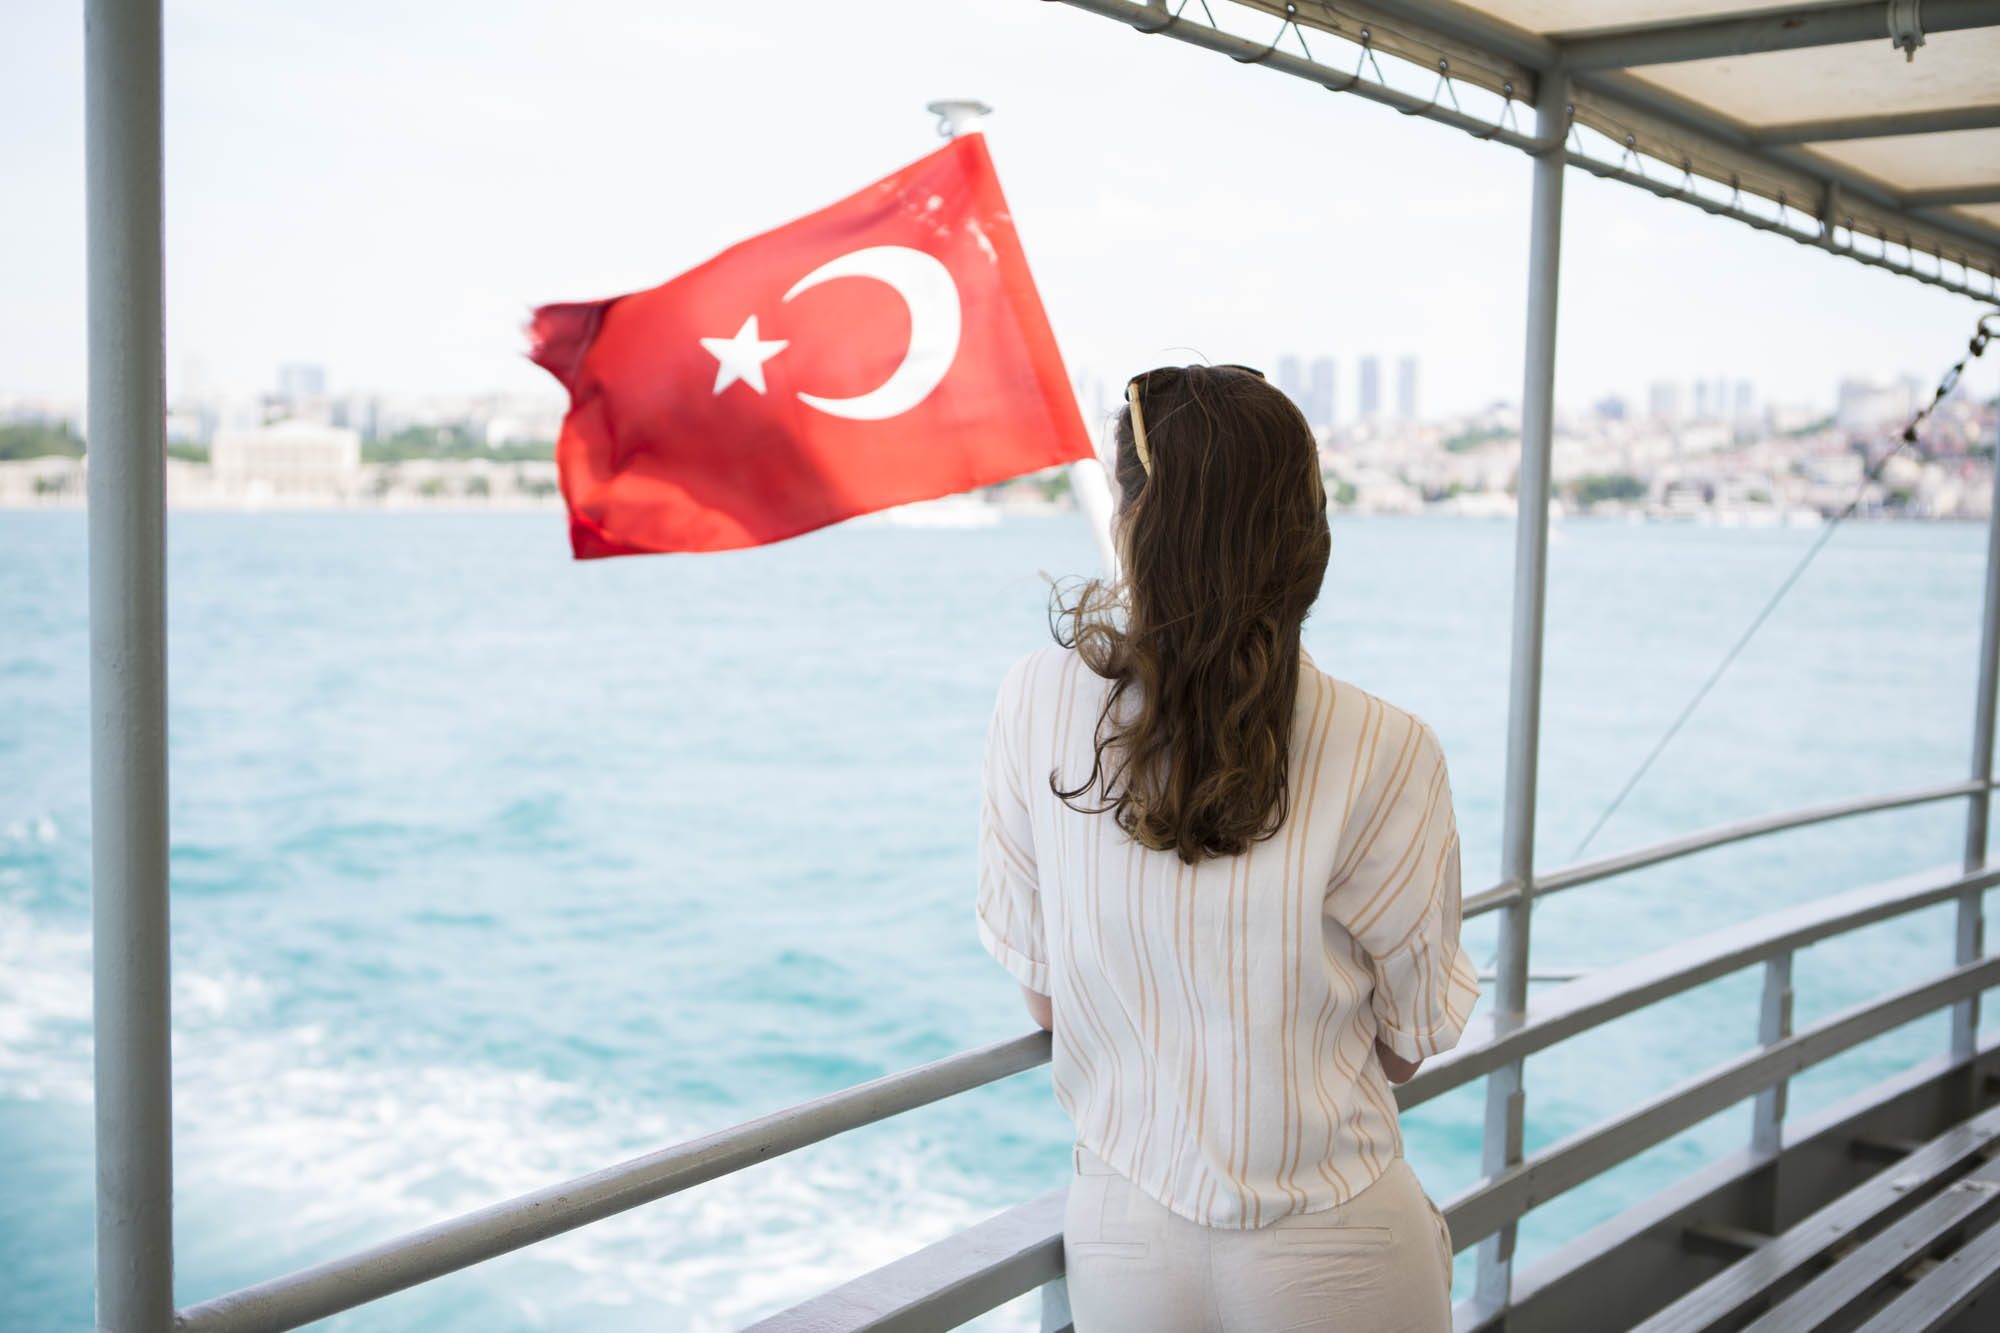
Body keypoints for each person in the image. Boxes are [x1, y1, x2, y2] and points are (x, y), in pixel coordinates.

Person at [975, 363, 1480, 1332]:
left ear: (1134, 524)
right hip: (1338, 1238)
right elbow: (1410, 1043)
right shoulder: (1387, 747)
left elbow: (1045, 992)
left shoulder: (1033, 705)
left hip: (1125, 1240)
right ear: (1301, 535)